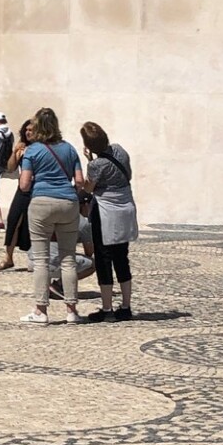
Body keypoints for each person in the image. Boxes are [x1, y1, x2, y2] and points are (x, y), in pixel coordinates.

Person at [16, 107, 88, 324]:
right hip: (67, 202)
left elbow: (24, 184)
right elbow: (80, 181)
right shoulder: (70, 149)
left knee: (41, 259)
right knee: (68, 258)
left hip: (41, 203)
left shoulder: (33, 151)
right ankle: (72, 311)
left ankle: (41, 311)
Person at [80, 122, 138, 319]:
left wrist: (89, 162)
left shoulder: (96, 165)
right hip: (125, 207)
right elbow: (127, 174)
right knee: (122, 257)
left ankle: (106, 309)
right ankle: (126, 306)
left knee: (104, 258)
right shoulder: (120, 151)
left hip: (105, 212)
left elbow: (89, 188)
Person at [0, 118, 35, 270]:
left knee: (34, 224)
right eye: (26, 130)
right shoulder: (22, 147)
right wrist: (15, 153)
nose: (28, 132)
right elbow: (11, 167)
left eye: (31, 130)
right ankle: (8, 257)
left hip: (38, 188)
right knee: (14, 219)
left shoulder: (43, 148)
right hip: (22, 189)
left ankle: (35, 259)